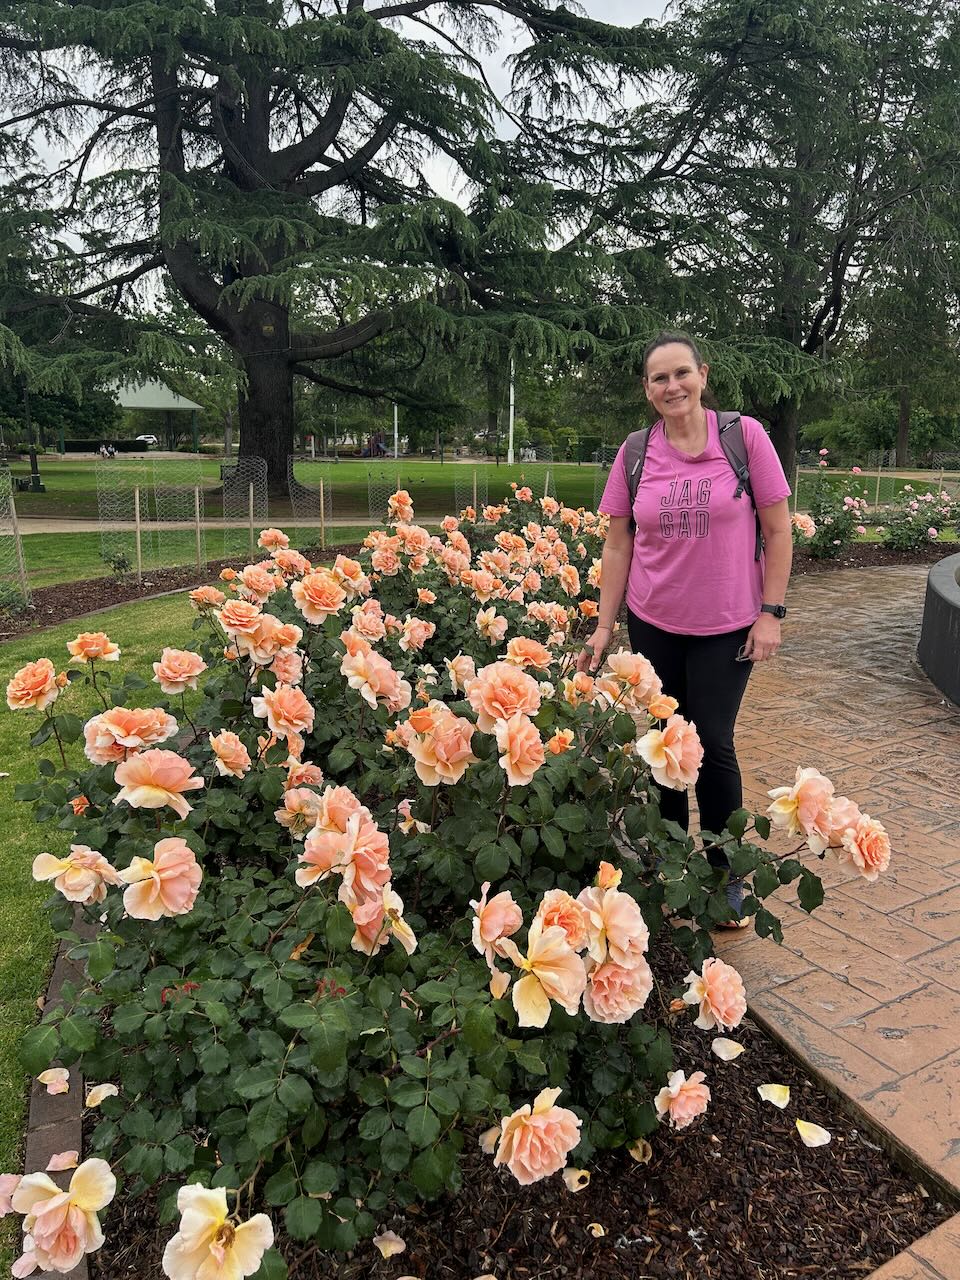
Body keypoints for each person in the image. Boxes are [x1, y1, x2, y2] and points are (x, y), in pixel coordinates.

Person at [578, 332, 793, 927]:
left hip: (728, 626)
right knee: (665, 743)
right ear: (647, 389)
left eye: (681, 373)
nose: (672, 386)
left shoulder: (744, 437)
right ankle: (669, 864)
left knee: (713, 743)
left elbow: (779, 530)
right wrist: (604, 626)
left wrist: (771, 612)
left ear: (703, 375)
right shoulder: (635, 452)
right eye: (659, 378)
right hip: (654, 622)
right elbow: (618, 543)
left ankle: (726, 876)